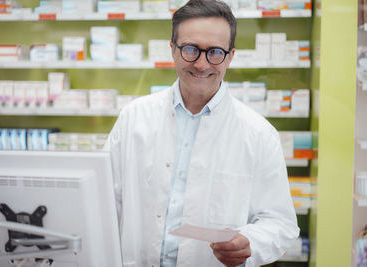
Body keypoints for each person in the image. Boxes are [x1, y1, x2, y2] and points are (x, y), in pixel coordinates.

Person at [104, 0, 300, 266]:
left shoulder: (259, 133)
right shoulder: (134, 117)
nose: (201, 64)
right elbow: (104, 201)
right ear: (173, 50)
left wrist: (251, 242)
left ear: (230, 56)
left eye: (215, 52)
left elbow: (280, 223)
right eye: (190, 49)